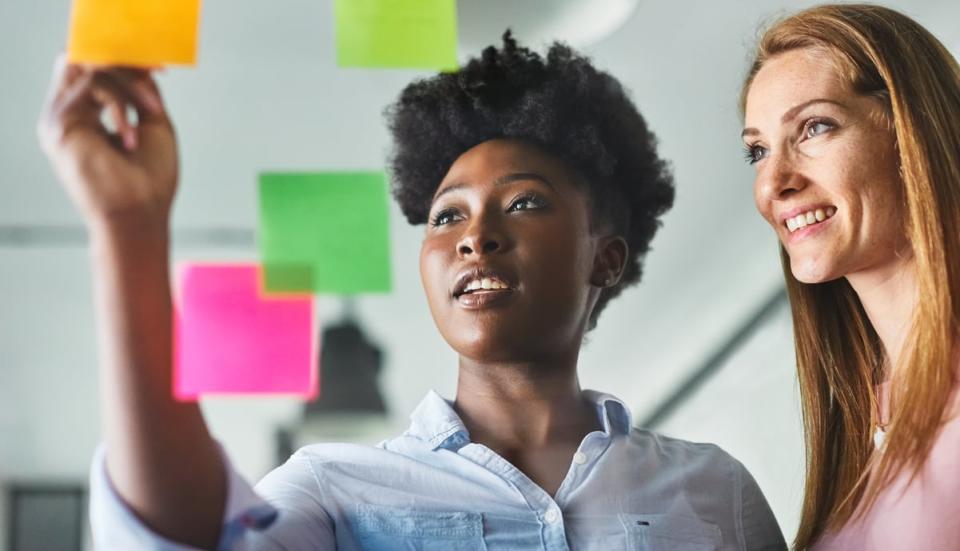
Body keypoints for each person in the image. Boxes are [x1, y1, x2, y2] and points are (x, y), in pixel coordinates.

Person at [40, 33, 786, 549]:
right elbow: (183, 540)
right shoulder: (334, 489)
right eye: (447, 215)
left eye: (524, 202)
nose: (474, 235)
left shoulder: (715, 488)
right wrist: (130, 226)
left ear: (607, 258)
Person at [739, 4, 960, 550]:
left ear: (910, 133)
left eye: (814, 127)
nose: (774, 183)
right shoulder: (862, 435)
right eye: (758, 152)